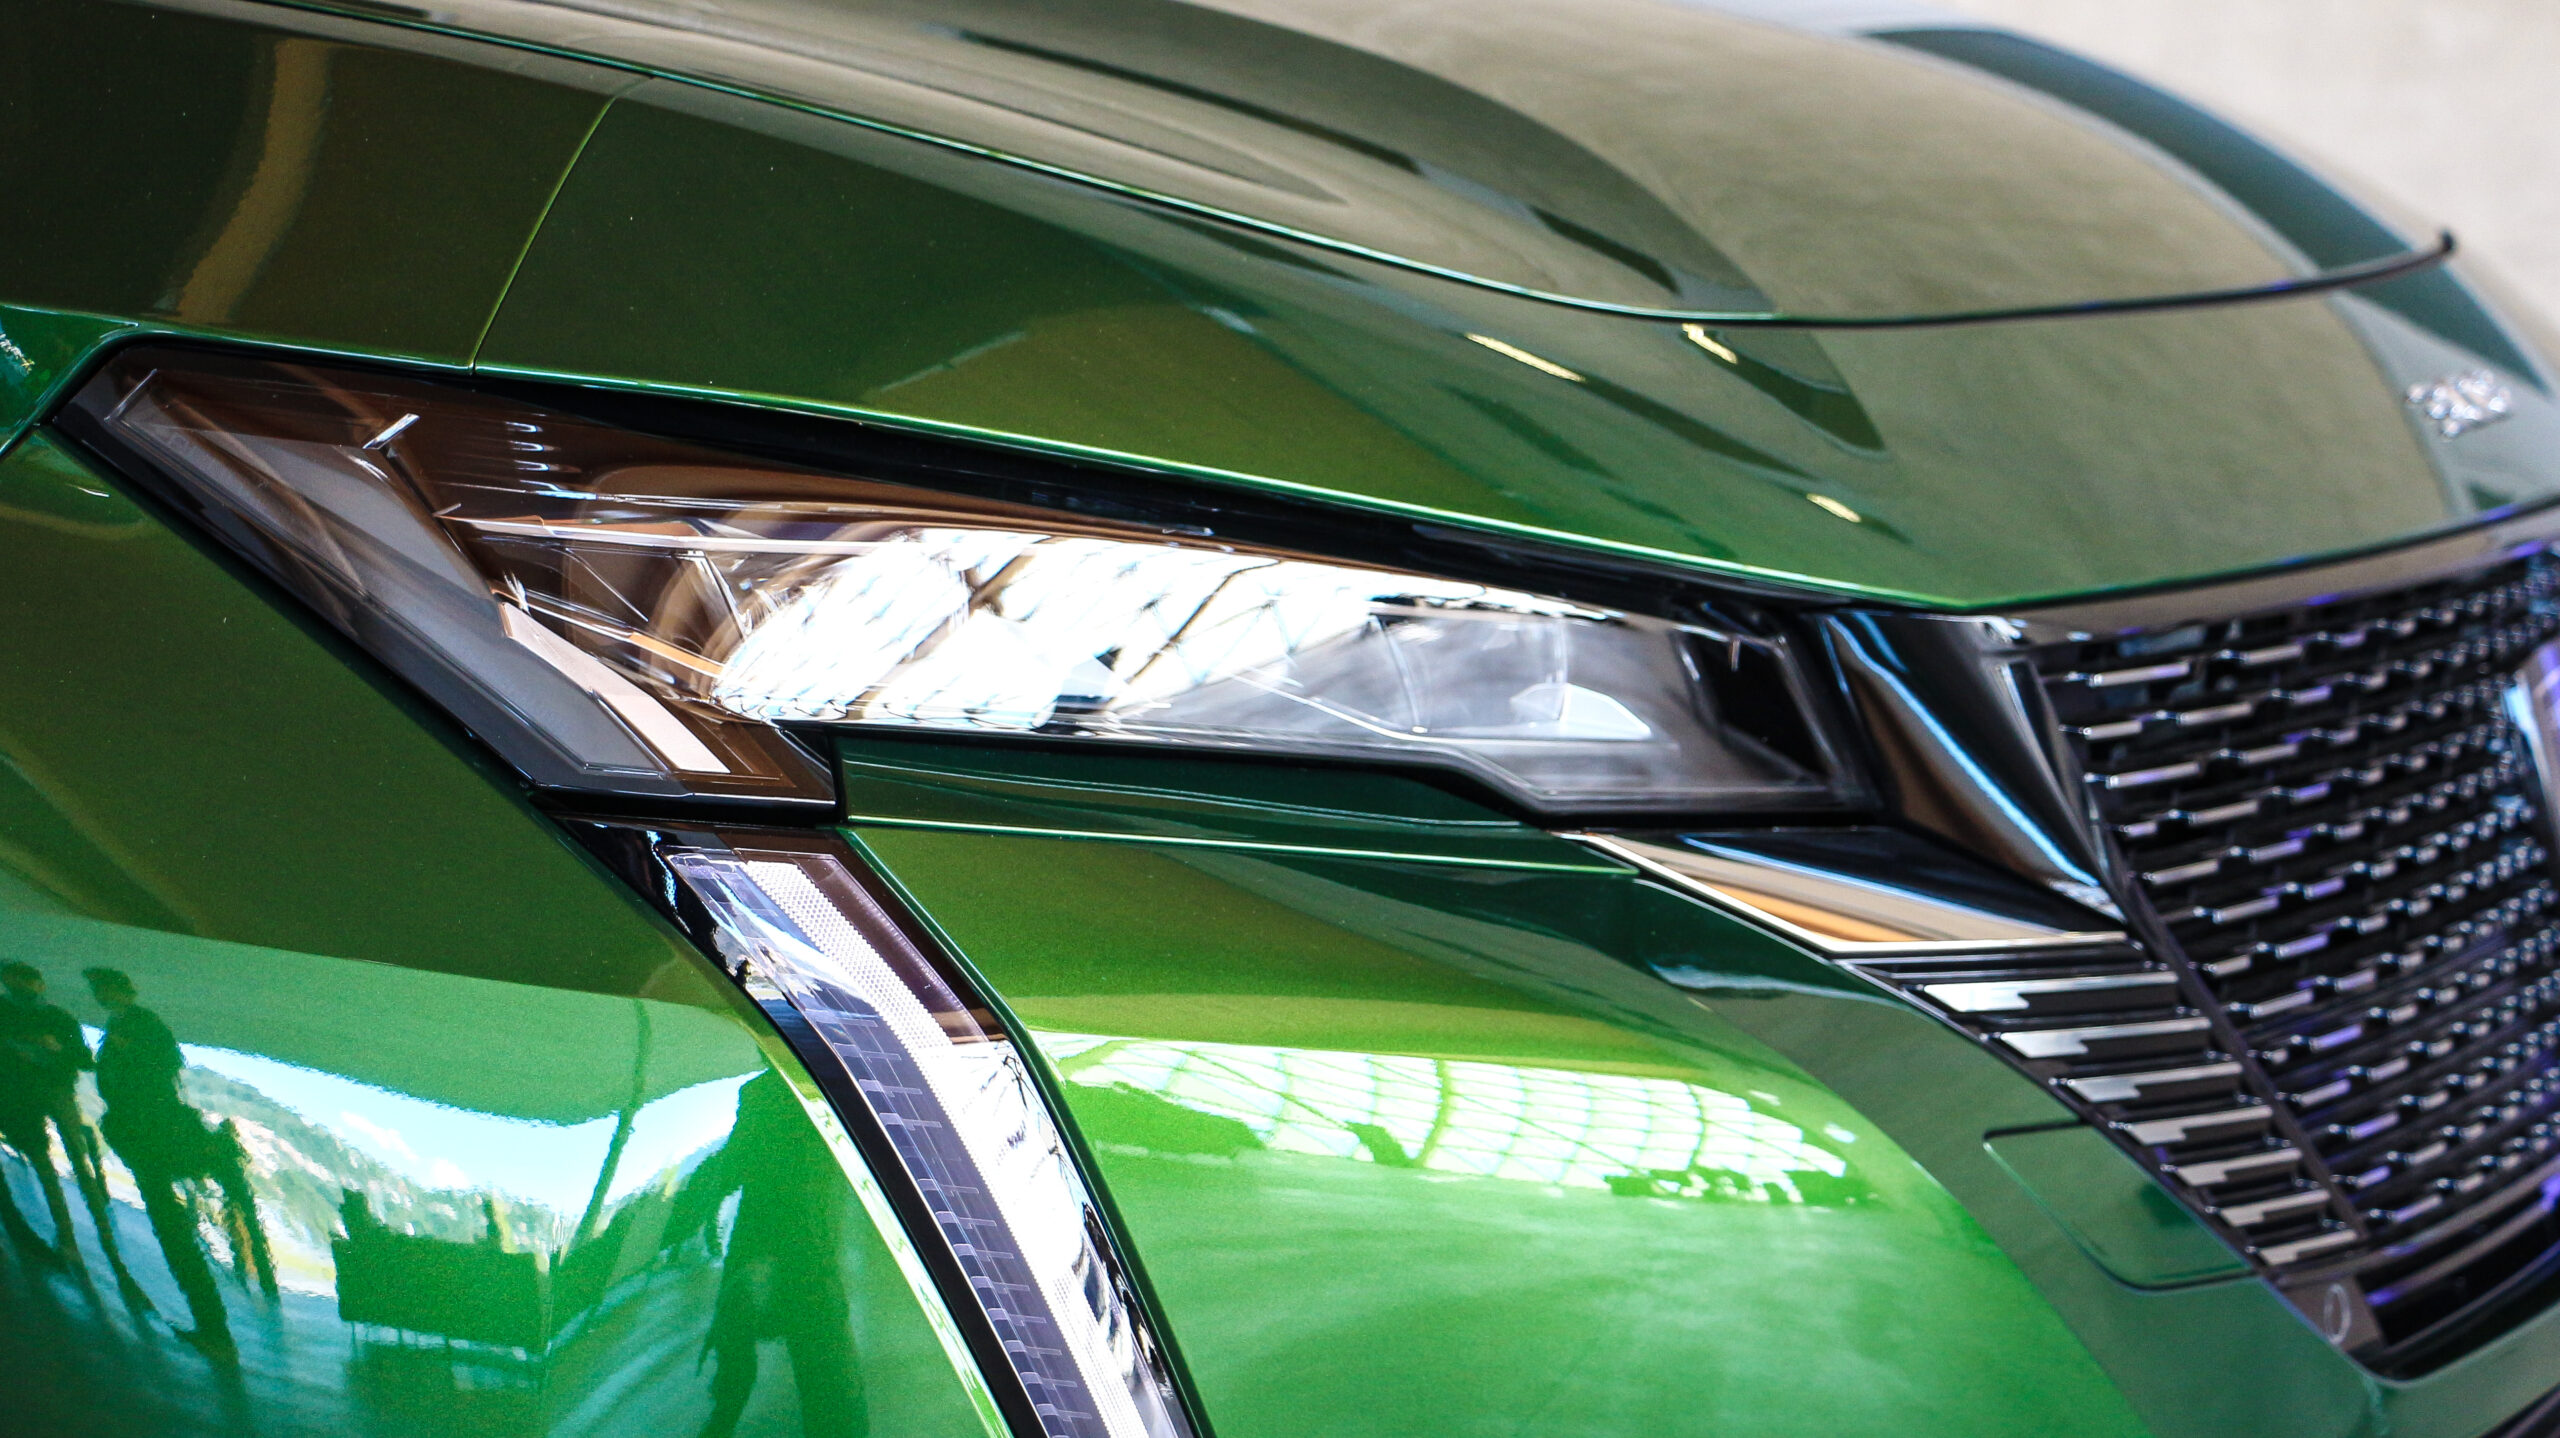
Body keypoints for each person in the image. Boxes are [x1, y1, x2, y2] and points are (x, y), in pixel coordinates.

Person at [84, 966, 274, 1362]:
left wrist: (128, 1055)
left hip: (152, 1139)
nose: (103, 995)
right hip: (148, 1137)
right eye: (100, 989)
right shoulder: (123, 1028)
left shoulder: (139, 1027)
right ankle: (215, 1326)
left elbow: (161, 1070)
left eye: (107, 988)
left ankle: (214, 1330)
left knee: (172, 1233)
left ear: (123, 991)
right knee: (172, 1231)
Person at [662, 1070, 865, 1438]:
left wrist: (683, 1216)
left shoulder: (766, 1093)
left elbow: (734, 1164)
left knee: (807, 1368)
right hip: (805, 1255)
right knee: (825, 1375)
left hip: (783, 1253)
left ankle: (723, 1419)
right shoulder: (835, 1085)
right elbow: (738, 1163)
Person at [0, 961, 118, 1273]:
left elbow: (84, 1060)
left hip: (31, 1098)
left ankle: (74, 1239)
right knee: (68, 1165)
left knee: (56, 1167)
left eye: (23, 980)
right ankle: (93, 1241)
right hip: (36, 1098)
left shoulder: (51, 1016)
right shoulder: (57, 1016)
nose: (19, 986)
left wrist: (51, 1048)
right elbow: (85, 1061)